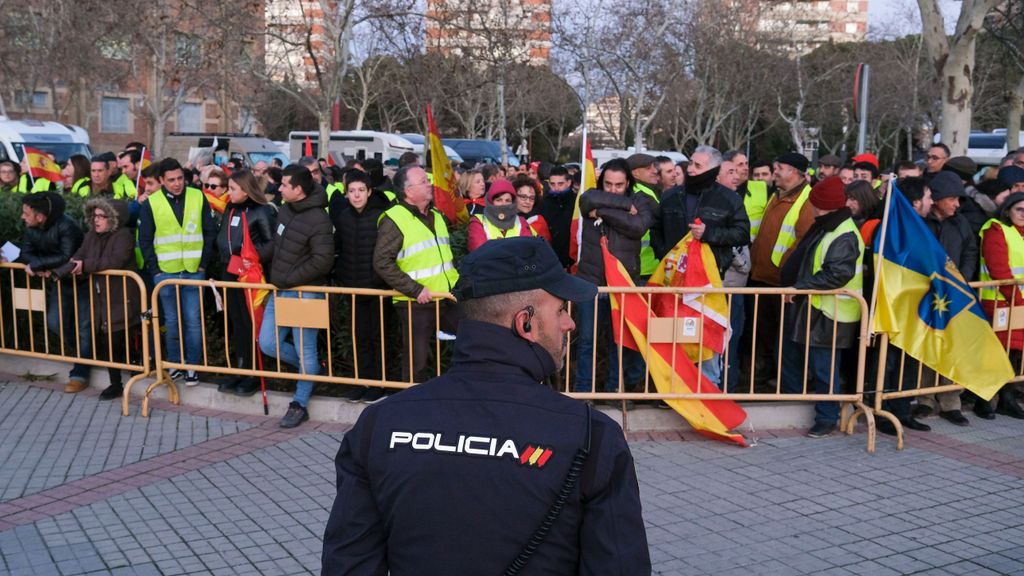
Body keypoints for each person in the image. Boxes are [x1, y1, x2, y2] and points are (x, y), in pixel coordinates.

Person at [322, 237, 651, 575]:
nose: (569, 324)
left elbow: (347, 563)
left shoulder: (380, 423)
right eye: (561, 310)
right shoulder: (592, 436)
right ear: (525, 323)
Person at [652, 146, 749, 387]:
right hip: (672, 285)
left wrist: (710, 233)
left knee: (705, 342)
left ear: (714, 169)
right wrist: (664, 254)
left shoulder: (729, 199)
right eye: (691, 164)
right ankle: (671, 391)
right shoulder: (671, 196)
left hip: (708, 285)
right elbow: (656, 228)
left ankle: (707, 395)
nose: (691, 169)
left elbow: (742, 233)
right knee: (672, 341)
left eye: (698, 165)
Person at [779, 177, 864, 438]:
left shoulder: (843, 234)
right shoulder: (831, 226)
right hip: (822, 308)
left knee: (824, 369)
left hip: (834, 312)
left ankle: (827, 418)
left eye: (816, 205)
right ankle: (821, 413)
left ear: (826, 207)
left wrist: (800, 287)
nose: (812, 209)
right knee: (816, 365)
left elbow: (835, 275)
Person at [258, 165, 334, 428]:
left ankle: (299, 403)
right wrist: (254, 256)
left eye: (284, 185)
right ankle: (313, 370)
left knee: (306, 351)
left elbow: (322, 261)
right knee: (267, 344)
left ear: (298, 190)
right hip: (280, 290)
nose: (278, 188)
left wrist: (289, 279)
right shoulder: (287, 209)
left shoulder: (319, 219)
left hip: (306, 293)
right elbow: (279, 246)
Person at [574, 158, 657, 394]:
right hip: (590, 282)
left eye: (618, 186)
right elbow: (587, 200)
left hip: (622, 283)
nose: (612, 189)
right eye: (608, 185)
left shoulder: (642, 200)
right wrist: (621, 207)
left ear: (628, 183)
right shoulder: (591, 194)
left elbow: (638, 226)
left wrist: (602, 211)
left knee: (619, 342)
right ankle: (584, 391)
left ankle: (614, 390)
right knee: (587, 342)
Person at [374, 165, 459, 383]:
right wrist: (416, 289)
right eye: (423, 181)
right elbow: (382, 262)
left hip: (446, 297)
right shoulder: (394, 219)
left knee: (466, 348)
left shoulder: (436, 216)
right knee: (417, 362)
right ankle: (411, 408)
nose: (429, 183)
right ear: (408, 191)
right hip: (416, 303)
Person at [137, 158, 217, 387]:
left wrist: (203, 264)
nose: (177, 183)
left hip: (193, 270)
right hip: (166, 274)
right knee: (171, 321)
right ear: (161, 181)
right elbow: (145, 241)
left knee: (193, 321)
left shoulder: (198, 196)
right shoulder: (151, 203)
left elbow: (209, 232)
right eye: (171, 180)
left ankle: (192, 367)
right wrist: (156, 271)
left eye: (180, 178)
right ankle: (174, 364)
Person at [912, 171, 977, 425]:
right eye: (952, 199)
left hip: (954, 296)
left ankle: (951, 403)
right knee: (927, 348)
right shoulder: (920, 221)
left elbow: (971, 251)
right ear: (937, 198)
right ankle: (925, 400)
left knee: (953, 348)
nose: (957, 205)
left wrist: (963, 280)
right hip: (925, 295)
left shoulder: (960, 223)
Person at [749, 153, 814, 385]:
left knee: (783, 337)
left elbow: (801, 242)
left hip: (782, 282)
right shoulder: (776, 196)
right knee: (766, 333)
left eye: (780, 168)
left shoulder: (807, 200)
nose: (775, 172)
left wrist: (787, 275)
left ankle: (786, 382)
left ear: (795, 172)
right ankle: (767, 374)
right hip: (763, 279)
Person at [14, 192, 89, 391]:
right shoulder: (31, 228)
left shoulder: (67, 226)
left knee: (84, 328)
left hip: (83, 282)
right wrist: (41, 266)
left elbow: (67, 256)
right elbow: (26, 253)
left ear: (40, 216)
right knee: (55, 323)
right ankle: (84, 354)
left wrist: (39, 265)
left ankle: (80, 372)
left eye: (26, 213)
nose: (23, 217)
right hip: (60, 281)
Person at [68, 197, 141, 400]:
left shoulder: (124, 235)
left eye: (102, 216)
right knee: (109, 339)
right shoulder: (91, 235)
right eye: (95, 216)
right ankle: (116, 381)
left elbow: (115, 261)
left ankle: (128, 370)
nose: (97, 220)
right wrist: (73, 263)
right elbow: (80, 254)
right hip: (101, 297)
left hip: (121, 295)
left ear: (113, 218)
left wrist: (86, 265)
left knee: (116, 338)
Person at [331, 170, 390, 403]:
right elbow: (340, 248)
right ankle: (362, 381)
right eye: (352, 191)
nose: (356, 195)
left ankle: (379, 383)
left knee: (378, 338)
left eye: (361, 191)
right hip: (353, 289)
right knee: (359, 338)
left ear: (369, 192)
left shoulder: (380, 216)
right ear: (346, 194)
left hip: (377, 289)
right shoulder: (343, 217)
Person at [216, 170, 276, 396]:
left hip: (250, 276)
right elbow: (225, 238)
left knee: (251, 324)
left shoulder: (262, 211)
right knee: (237, 324)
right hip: (229, 273)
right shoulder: (231, 209)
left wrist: (249, 260)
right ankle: (240, 368)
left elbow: (271, 244)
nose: (228, 192)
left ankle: (253, 374)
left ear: (245, 189)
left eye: (232, 188)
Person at [974, 192, 1024, 419]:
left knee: (1014, 353)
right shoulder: (997, 229)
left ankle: (1006, 397)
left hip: (1016, 303)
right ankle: (984, 399)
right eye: (1019, 209)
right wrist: (1020, 301)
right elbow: (999, 271)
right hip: (1000, 302)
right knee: (994, 354)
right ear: (1008, 210)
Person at [467, 179, 533, 251]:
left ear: (513, 203)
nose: (503, 204)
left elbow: (528, 249)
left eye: (507, 201)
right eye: (499, 200)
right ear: (491, 202)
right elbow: (479, 251)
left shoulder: (521, 222)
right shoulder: (478, 221)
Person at [627, 153, 661, 279]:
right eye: (648, 168)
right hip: (645, 266)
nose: (655, 171)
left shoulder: (646, 190)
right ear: (635, 173)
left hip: (641, 264)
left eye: (654, 167)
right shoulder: (642, 193)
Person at [538, 165, 577, 268]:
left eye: (560, 184)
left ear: (568, 183)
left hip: (571, 258)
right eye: (553, 184)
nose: (556, 188)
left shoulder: (577, 203)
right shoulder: (543, 203)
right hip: (550, 258)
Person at [513, 175, 551, 242]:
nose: (528, 201)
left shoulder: (538, 221)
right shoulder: (505, 219)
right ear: (514, 197)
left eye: (532, 198)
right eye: (523, 197)